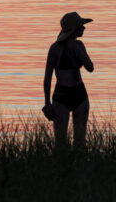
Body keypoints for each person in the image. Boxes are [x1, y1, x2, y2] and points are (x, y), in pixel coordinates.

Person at [43, 12, 94, 148]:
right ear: (74, 30)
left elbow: (90, 68)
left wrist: (79, 52)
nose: (84, 28)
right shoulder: (55, 49)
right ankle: (62, 166)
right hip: (61, 96)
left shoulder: (80, 46)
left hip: (80, 94)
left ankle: (79, 166)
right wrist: (47, 104)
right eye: (81, 26)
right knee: (60, 143)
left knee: (80, 142)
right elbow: (47, 78)